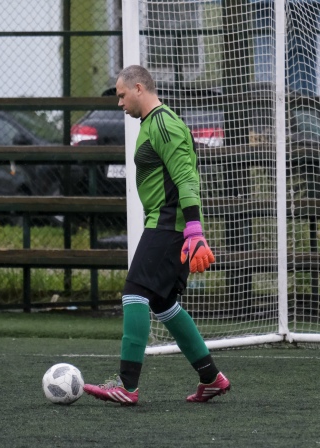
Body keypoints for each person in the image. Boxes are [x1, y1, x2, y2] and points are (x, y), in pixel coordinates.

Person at [83, 65, 230, 406]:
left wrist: (194, 230)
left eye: (122, 95)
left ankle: (126, 385)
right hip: (167, 222)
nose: (119, 103)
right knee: (163, 303)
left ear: (139, 88)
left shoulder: (163, 123)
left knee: (134, 292)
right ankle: (211, 378)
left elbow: (186, 178)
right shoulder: (151, 123)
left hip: (170, 223)